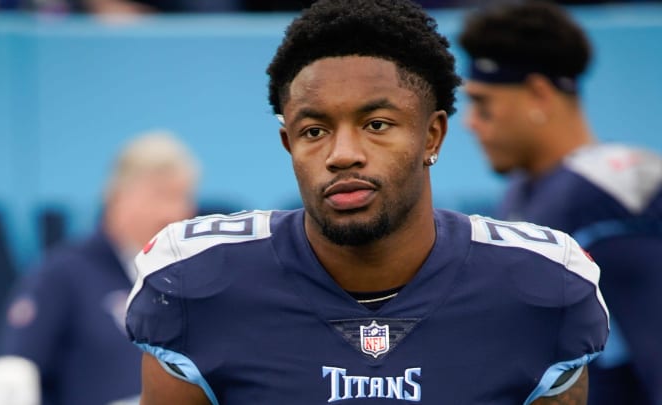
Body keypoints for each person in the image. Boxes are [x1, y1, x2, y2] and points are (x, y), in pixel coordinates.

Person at [126, 1, 608, 404]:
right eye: (314, 131)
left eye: (376, 124)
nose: (342, 155)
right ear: (288, 145)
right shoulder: (193, 283)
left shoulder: (544, 286)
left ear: (432, 135)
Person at [458, 2, 662, 404]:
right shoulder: (523, 193)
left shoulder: (606, 193)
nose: (470, 121)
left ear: (538, 93)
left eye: (483, 103)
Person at [0, 130, 201, 405]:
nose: (172, 213)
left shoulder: (194, 283)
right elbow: (11, 373)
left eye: (181, 197)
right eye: (160, 196)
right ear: (117, 197)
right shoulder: (61, 275)